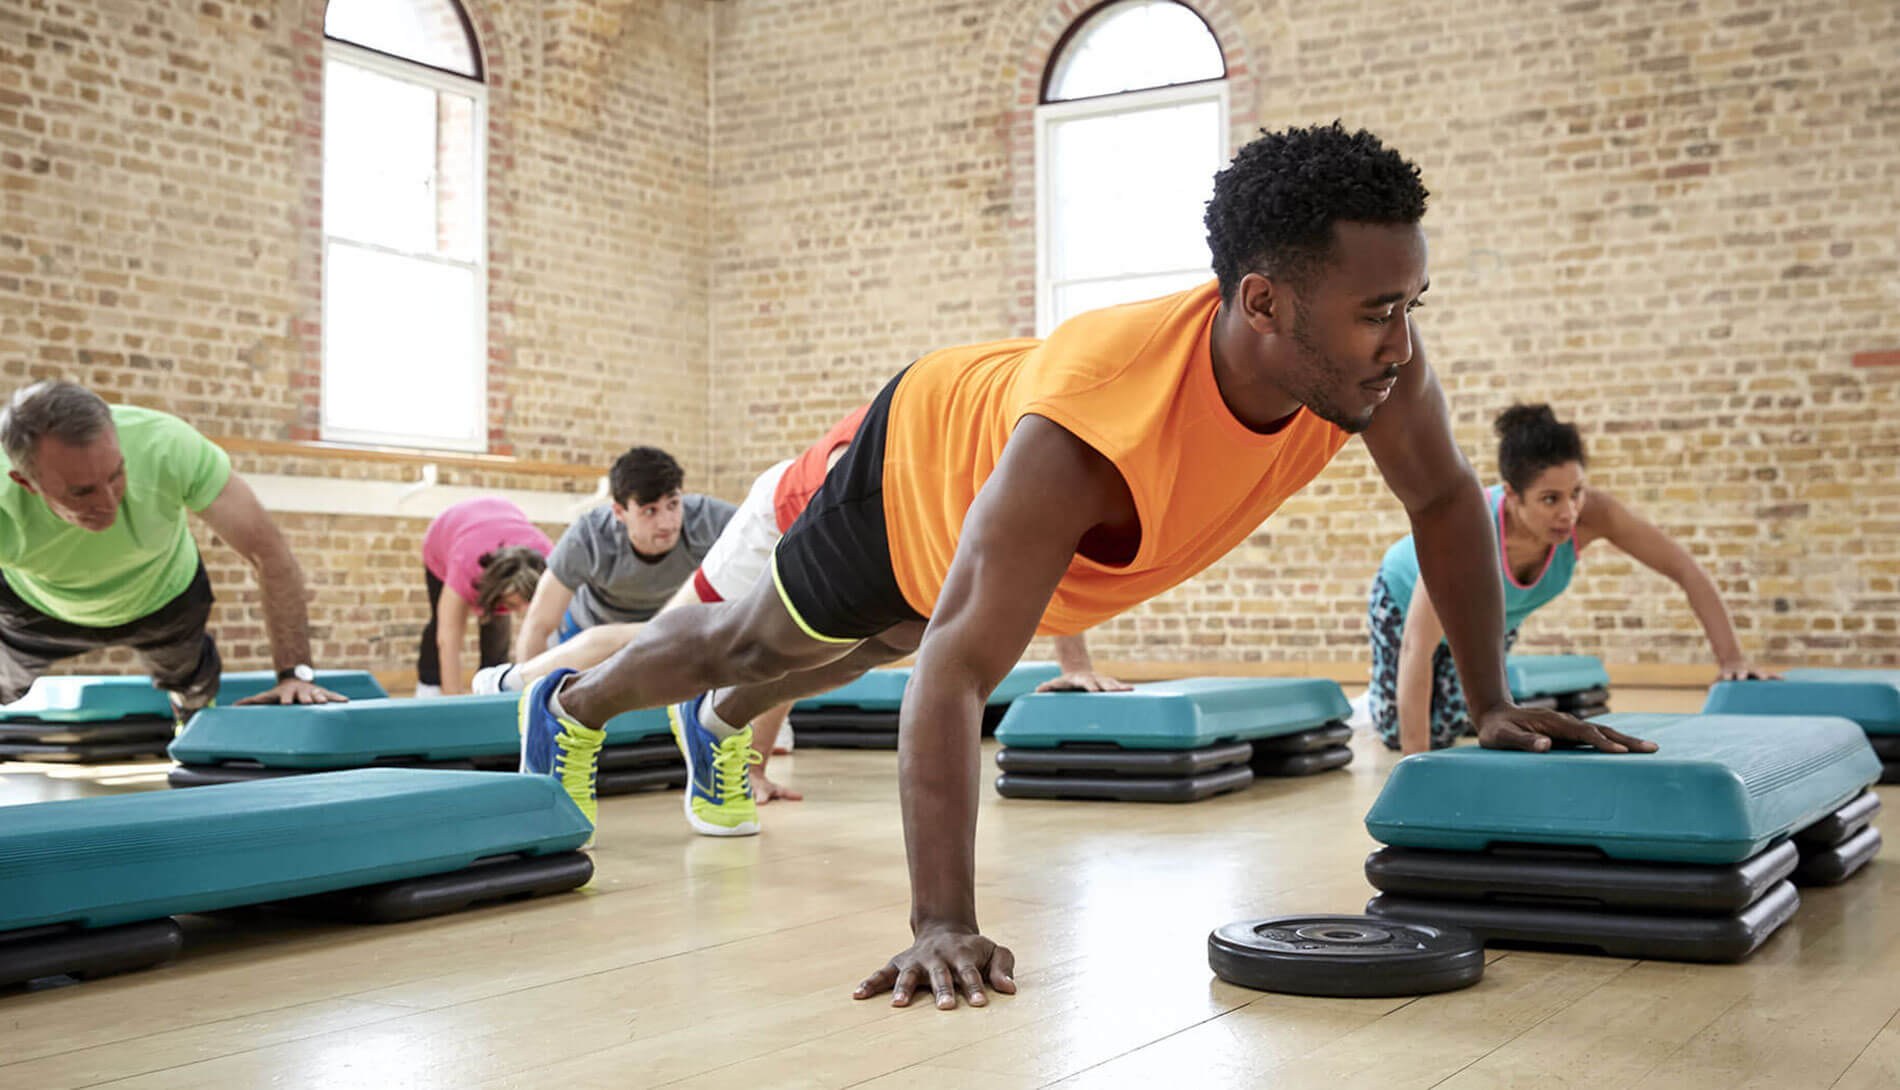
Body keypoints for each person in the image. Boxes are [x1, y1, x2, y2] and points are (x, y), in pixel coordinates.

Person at [514, 122, 1657, 1011]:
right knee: (765, 636)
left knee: (879, 641)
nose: (1402, 343)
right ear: (1264, 301)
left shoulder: (1371, 372)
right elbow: (956, 686)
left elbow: (1448, 499)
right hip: (919, 464)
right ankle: (572, 701)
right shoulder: (1087, 432)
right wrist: (941, 921)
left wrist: (1495, 700)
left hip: (1004, 518)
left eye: (1410, 306)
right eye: (1375, 312)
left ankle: (717, 726)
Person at [476, 406, 1126, 807]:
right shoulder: (982, 436)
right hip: (791, 508)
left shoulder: (1045, 472)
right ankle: (521, 684)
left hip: (847, 524)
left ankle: (713, 731)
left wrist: (752, 765)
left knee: (837, 642)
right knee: (674, 636)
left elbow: (1056, 566)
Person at [1367, 403, 1775, 753]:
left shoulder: (1593, 514)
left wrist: (1732, 660)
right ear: (1511, 495)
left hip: (1487, 622)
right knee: (1404, 733)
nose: (1569, 512)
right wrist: (1413, 765)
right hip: (1404, 602)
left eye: (1576, 492)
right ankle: (1369, 705)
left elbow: (1684, 569)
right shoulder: (1470, 531)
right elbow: (1416, 647)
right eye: (1550, 499)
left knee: (1455, 725)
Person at [0, 381, 345, 718]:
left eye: (117, 474)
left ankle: (190, 718)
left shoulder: (166, 445)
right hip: (35, 607)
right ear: (25, 482)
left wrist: (294, 675)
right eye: (82, 492)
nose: (109, 502)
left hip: (163, 595)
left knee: (193, 684)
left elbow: (268, 554)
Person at [508, 446, 736, 663]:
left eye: (673, 504)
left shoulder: (710, 520)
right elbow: (538, 624)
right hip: (589, 634)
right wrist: (523, 696)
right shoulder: (588, 537)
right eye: (650, 511)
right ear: (619, 511)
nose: (667, 522)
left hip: (665, 632)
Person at [416, 497, 552, 696]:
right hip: (444, 537)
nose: (523, 610)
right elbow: (448, 640)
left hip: (499, 522)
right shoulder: (464, 565)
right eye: (516, 602)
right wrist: (453, 707)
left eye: (527, 601)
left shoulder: (550, 558)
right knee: (441, 622)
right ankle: (428, 685)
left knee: (497, 628)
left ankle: (492, 688)